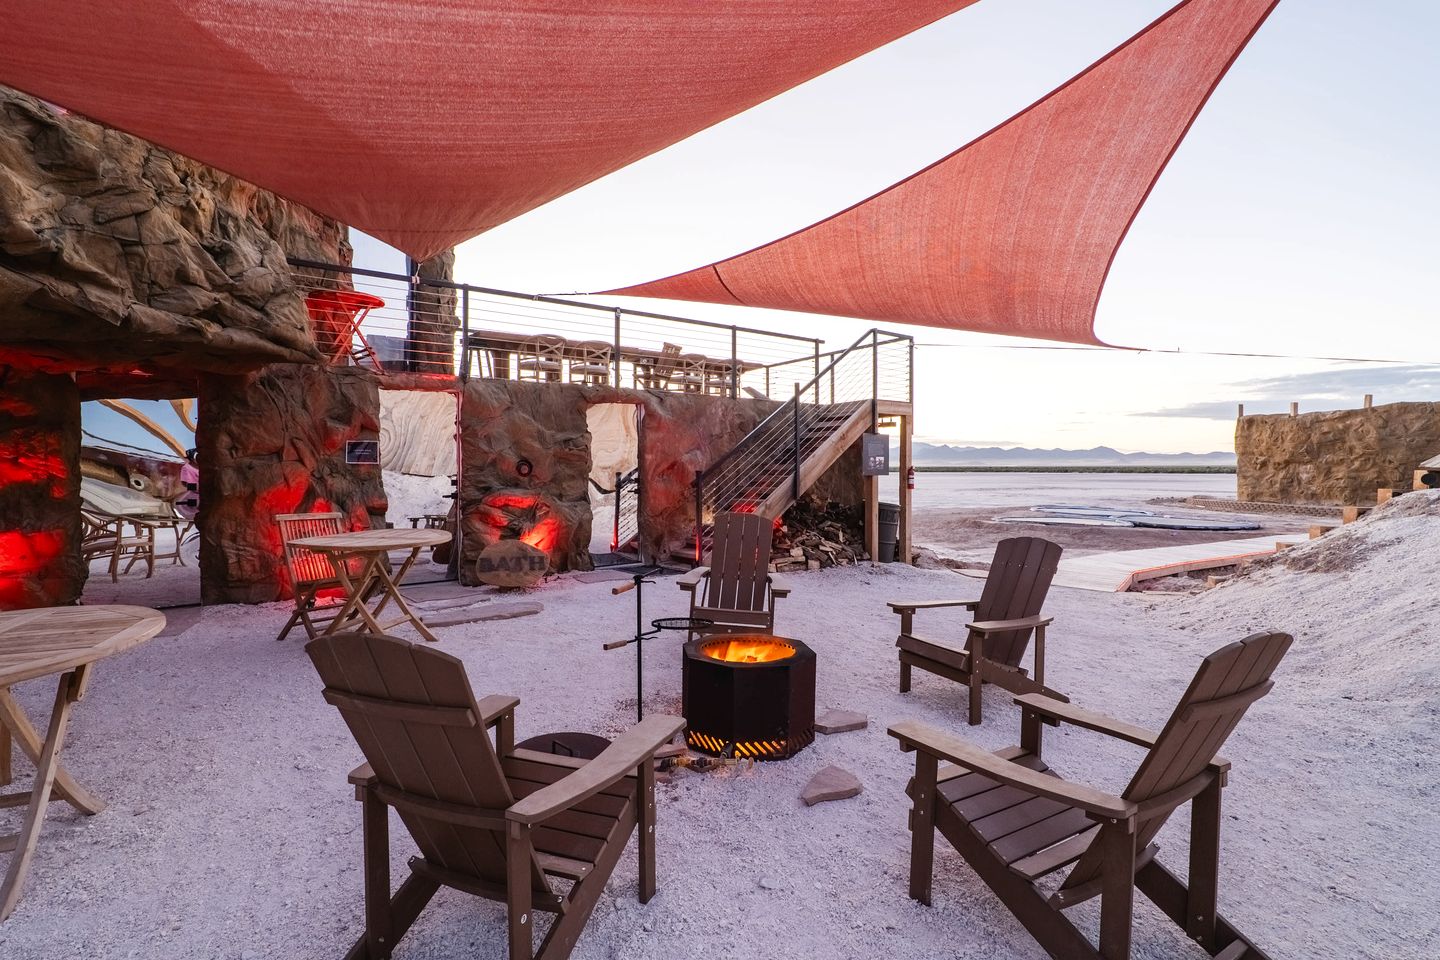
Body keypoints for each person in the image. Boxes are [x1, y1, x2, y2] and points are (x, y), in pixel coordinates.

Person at [177, 448, 200, 520]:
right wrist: (202, 488)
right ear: (193, 457)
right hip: (192, 495)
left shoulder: (200, 468)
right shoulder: (186, 468)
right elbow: (186, 484)